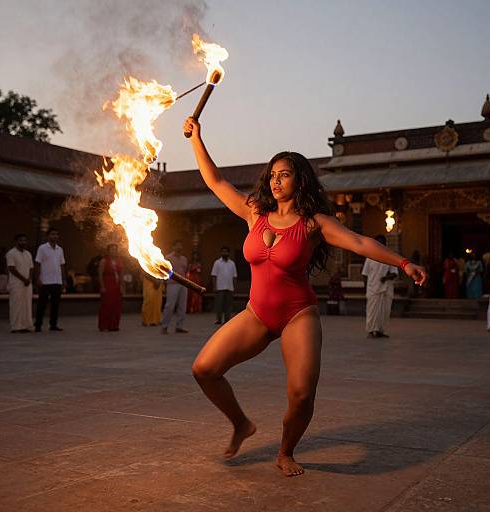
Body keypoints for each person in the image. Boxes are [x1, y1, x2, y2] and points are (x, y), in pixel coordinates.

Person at [183, 116, 427, 477]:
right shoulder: (254, 213)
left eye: (284, 174)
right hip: (258, 313)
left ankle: (286, 451)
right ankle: (240, 423)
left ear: (300, 179)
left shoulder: (314, 223)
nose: (276, 181)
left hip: (298, 313)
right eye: (272, 175)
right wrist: (195, 140)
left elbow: (360, 242)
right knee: (204, 369)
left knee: (301, 395)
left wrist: (403, 262)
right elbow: (216, 181)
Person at [361, 235, 398, 338]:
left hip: (386, 289)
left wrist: (386, 278)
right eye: (378, 243)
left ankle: (381, 330)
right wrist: (366, 288)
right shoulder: (369, 257)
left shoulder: (390, 256)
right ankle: (372, 330)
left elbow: (394, 273)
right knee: (372, 311)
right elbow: (364, 274)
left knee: (384, 311)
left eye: (382, 243)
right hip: (372, 289)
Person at [34, 228, 66, 332]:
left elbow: (62, 265)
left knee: (55, 304)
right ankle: (38, 325)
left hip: (57, 281)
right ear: (48, 236)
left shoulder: (60, 249)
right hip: (45, 281)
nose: (55, 236)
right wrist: (38, 278)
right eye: (52, 234)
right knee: (42, 304)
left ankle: (53, 325)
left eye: (56, 234)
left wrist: (63, 279)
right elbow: (37, 264)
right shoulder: (42, 248)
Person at [6, 234, 33, 332]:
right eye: (21, 240)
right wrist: (23, 279)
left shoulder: (28, 254)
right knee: (16, 305)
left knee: (26, 305)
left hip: (27, 283)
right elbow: (11, 268)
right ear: (15, 241)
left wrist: (28, 279)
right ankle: (16, 327)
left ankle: (26, 326)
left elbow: (31, 268)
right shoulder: (11, 253)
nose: (23, 242)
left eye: (24, 240)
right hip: (16, 283)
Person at [161, 239, 189, 334]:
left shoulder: (184, 259)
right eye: (177, 245)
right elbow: (164, 271)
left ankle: (179, 327)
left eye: (180, 245)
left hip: (183, 284)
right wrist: (164, 283)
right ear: (173, 247)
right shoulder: (168, 258)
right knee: (170, 306)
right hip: (172, 284)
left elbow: (185, 271)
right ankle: (165, 327)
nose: (179, 247)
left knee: (182, 306)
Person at [98, 243, 123, 331]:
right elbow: (100, 274)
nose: (114, 251)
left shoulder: (119, 261)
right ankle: (104, 325)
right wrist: (102, 286)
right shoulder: (104, 261)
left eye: (115, 249)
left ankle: (114, 325)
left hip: (116, 284)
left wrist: (122, 286)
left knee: (116, 305)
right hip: (107, 283)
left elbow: (121, 274)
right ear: (108, 251)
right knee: (107, 305)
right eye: (112, 249)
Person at [211, 247, 238, 325]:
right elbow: (214, 275)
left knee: (228, 305)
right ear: (221, 253)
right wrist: (214, 286)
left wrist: (234, 287)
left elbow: (234, 276)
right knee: (219, 305)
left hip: (229, 287)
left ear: (229, 253)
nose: (224, 253)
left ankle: (227, 320)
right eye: (223, 252)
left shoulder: (232, 263)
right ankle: (219, 319)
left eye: (226, 252)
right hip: (220, 287)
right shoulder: (217, 263)